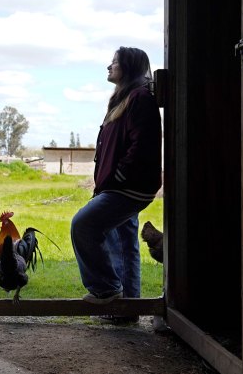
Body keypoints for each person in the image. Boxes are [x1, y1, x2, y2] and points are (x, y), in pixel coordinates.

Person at [71, 46, 162, 319]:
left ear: (129, 67)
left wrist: (119, 176)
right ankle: (127, 310)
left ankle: (105, 289)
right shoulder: (124, 98)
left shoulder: (139, 98)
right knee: (124, 244)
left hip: (127, 187)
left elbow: (142, 144)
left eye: (114, 63)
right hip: (118, 186)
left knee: (84, 224)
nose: (109, 67)